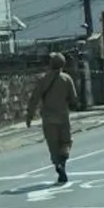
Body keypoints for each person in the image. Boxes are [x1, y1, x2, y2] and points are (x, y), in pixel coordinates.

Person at [26, 52, 78, 184]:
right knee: (66, 142)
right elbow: (74, 98)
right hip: (63, 116)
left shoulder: (43, 79)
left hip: (48, 118)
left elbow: (34, 98)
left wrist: (29, 116)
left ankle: (58, 165)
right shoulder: (67, 79)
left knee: (53, 145)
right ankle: (63, 162)